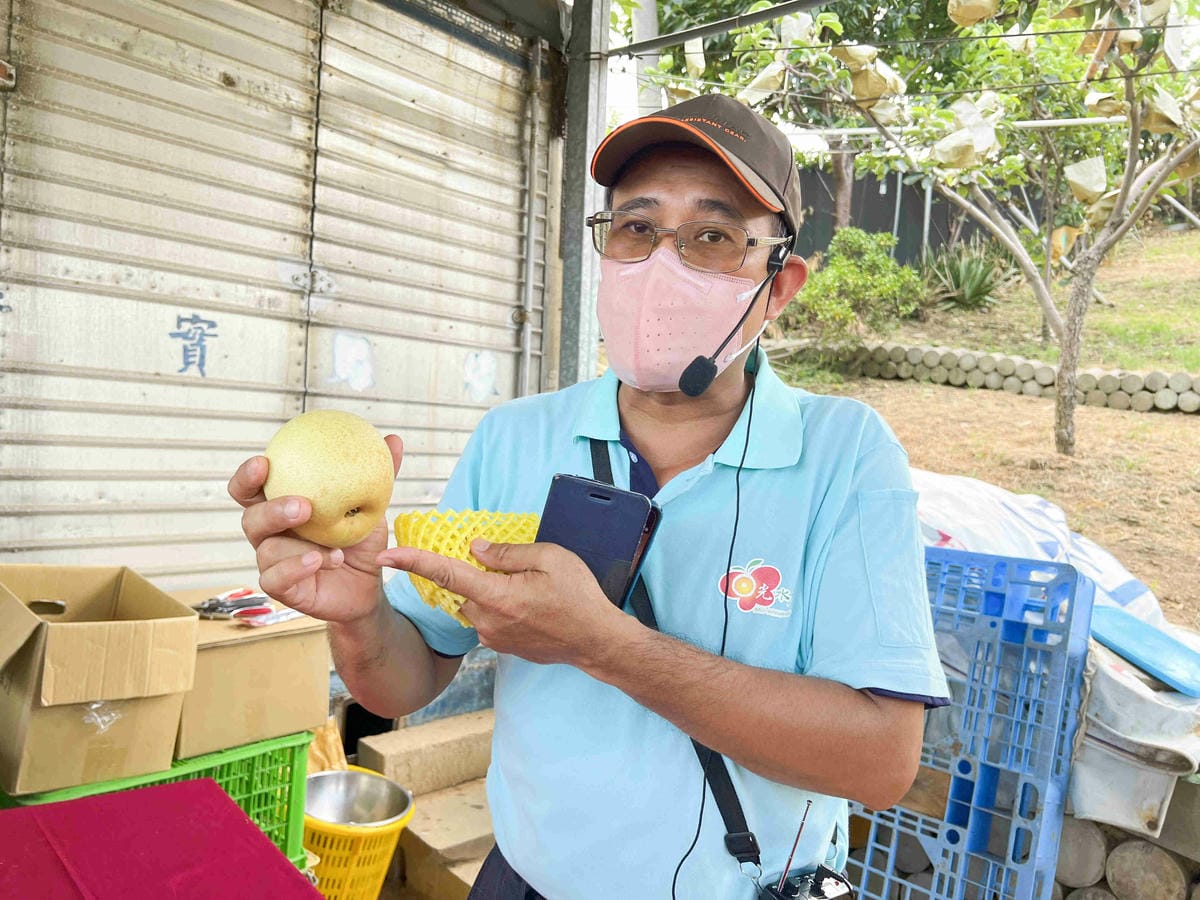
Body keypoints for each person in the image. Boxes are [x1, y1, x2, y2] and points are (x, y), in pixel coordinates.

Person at [230, 94, 949, 900]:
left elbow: (883, 762)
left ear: (778, 286)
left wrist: (603, 644)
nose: (661, 266)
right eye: (637, 229)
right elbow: (405, 679)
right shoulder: (514, 438)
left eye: (712, 237)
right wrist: (359, 613)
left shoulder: (845, 456)